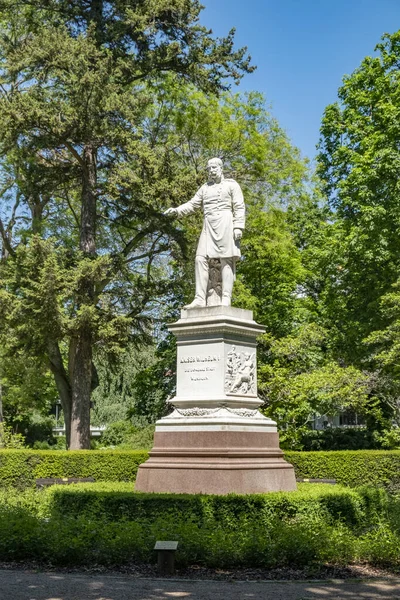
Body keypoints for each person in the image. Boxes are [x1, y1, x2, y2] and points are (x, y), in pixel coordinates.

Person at [164, 158, 245, 308]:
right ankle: (200, 299)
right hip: (208, 225)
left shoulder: (232, 185)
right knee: (200, 259)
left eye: (214, 168)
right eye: (209, 169)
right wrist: (176, 211)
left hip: (226, 223)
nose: (211, 171)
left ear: (221, 168)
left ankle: (226, 298)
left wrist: (238, 226)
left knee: (226, 260)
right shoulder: (204, 188)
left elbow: (239, 206)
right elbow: (192, 204)